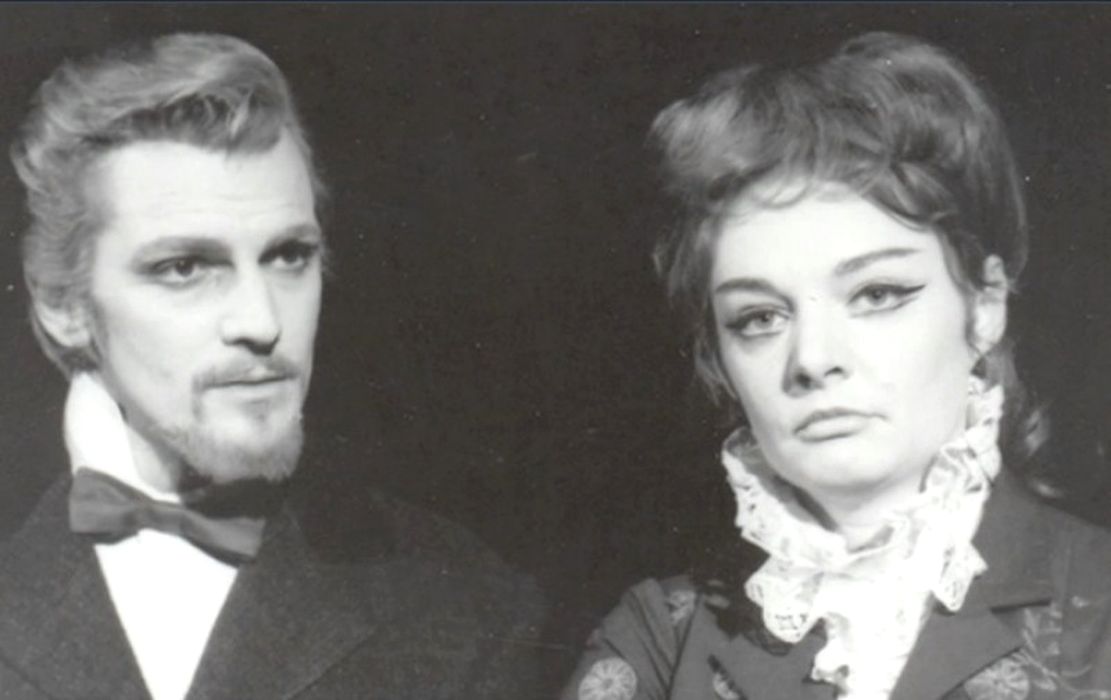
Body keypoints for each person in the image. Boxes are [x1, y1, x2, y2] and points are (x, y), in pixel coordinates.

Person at [561, 31, 1111, 700]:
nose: (813, 360)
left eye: (876, 295)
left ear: (984, 306)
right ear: (719, 357)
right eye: (759, 317)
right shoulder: (657, 638)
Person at [0, 32, 545, 699]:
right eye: (184, 267)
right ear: (64, 304)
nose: (262, 322)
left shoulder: (471, 611)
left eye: (289, 256)